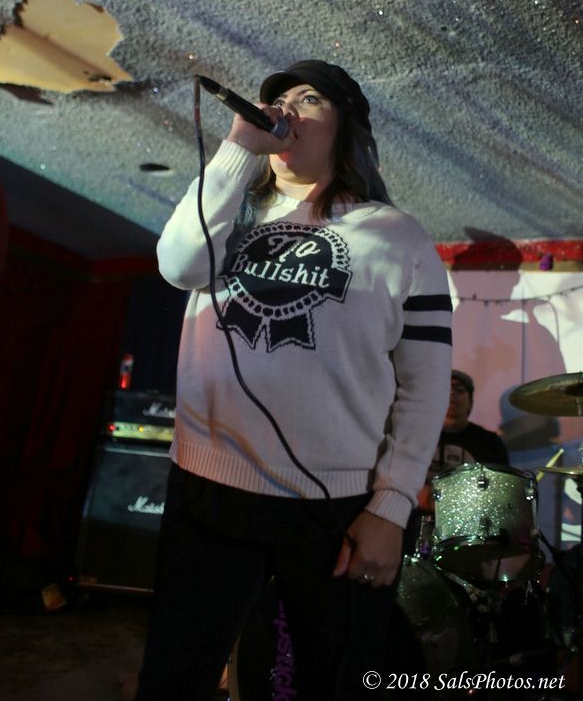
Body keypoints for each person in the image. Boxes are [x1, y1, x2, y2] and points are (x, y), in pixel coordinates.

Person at [135, 60, 452, 701]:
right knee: (175, 679)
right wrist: (236, 152)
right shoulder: (228, 211)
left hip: (335, 505)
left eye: (308, 99)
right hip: (209, 490)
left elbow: (424, 387)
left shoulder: (399, 237)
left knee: (337, 682)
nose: (284, 109)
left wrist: (390, 509)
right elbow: (178, 264)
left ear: (346, 128)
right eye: (276, 99)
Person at [415, 369, 509, 517]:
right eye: (447, 389)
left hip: (471, 521)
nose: (452, 393)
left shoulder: (490, 443)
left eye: (459, 390)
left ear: (471, 402)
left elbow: (500, 490)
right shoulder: (416, 435)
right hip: (418, 521)